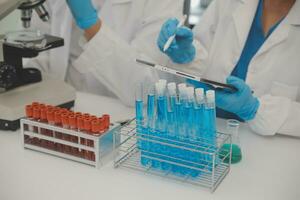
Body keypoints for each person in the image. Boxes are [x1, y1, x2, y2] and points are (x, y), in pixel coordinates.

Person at [157, 0, 300, 137]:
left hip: (269, 151)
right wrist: (188, 57)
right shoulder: (227, 3)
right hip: (205, 131)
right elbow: (202, 62)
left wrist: (256, 109)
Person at [28, 0, 183, 106]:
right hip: (62, 110)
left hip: (120, 122)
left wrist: (91, 25)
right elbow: (40, 57)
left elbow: (145, 87)